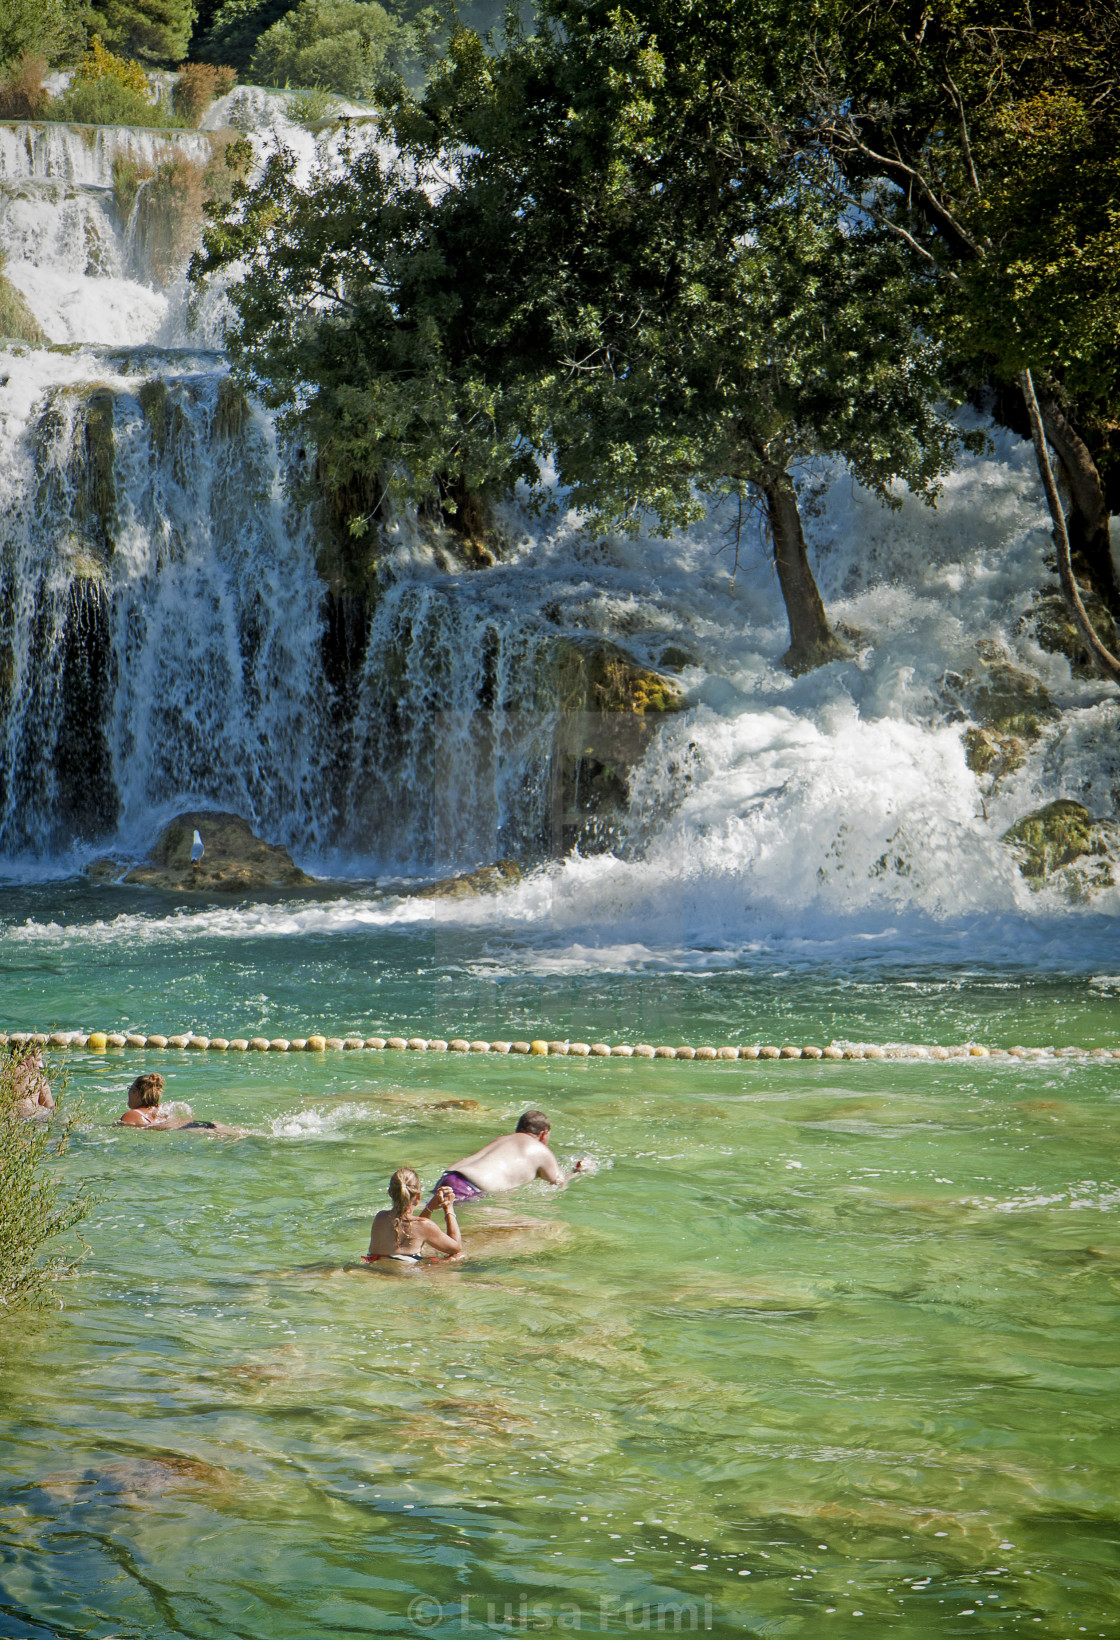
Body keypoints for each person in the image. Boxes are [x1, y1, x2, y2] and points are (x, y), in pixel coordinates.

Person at [429, 1110, 585, 1201]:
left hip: (448, 1178)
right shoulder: (540, 1150)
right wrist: (577, 1173)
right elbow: (559, 1184)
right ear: (544, 1134)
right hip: (471, 1188)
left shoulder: (503, 1139)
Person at [363, 1167, 462, 1265]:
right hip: (406, 1275)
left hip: (377, 1269)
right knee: (459, 1256)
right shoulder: (424, 1225)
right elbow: (455, 1247)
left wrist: (429, 1208)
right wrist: (448, 1208)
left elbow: (417, 1231)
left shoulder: (380, 1217)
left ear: (390, 1193)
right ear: (418, 1196)